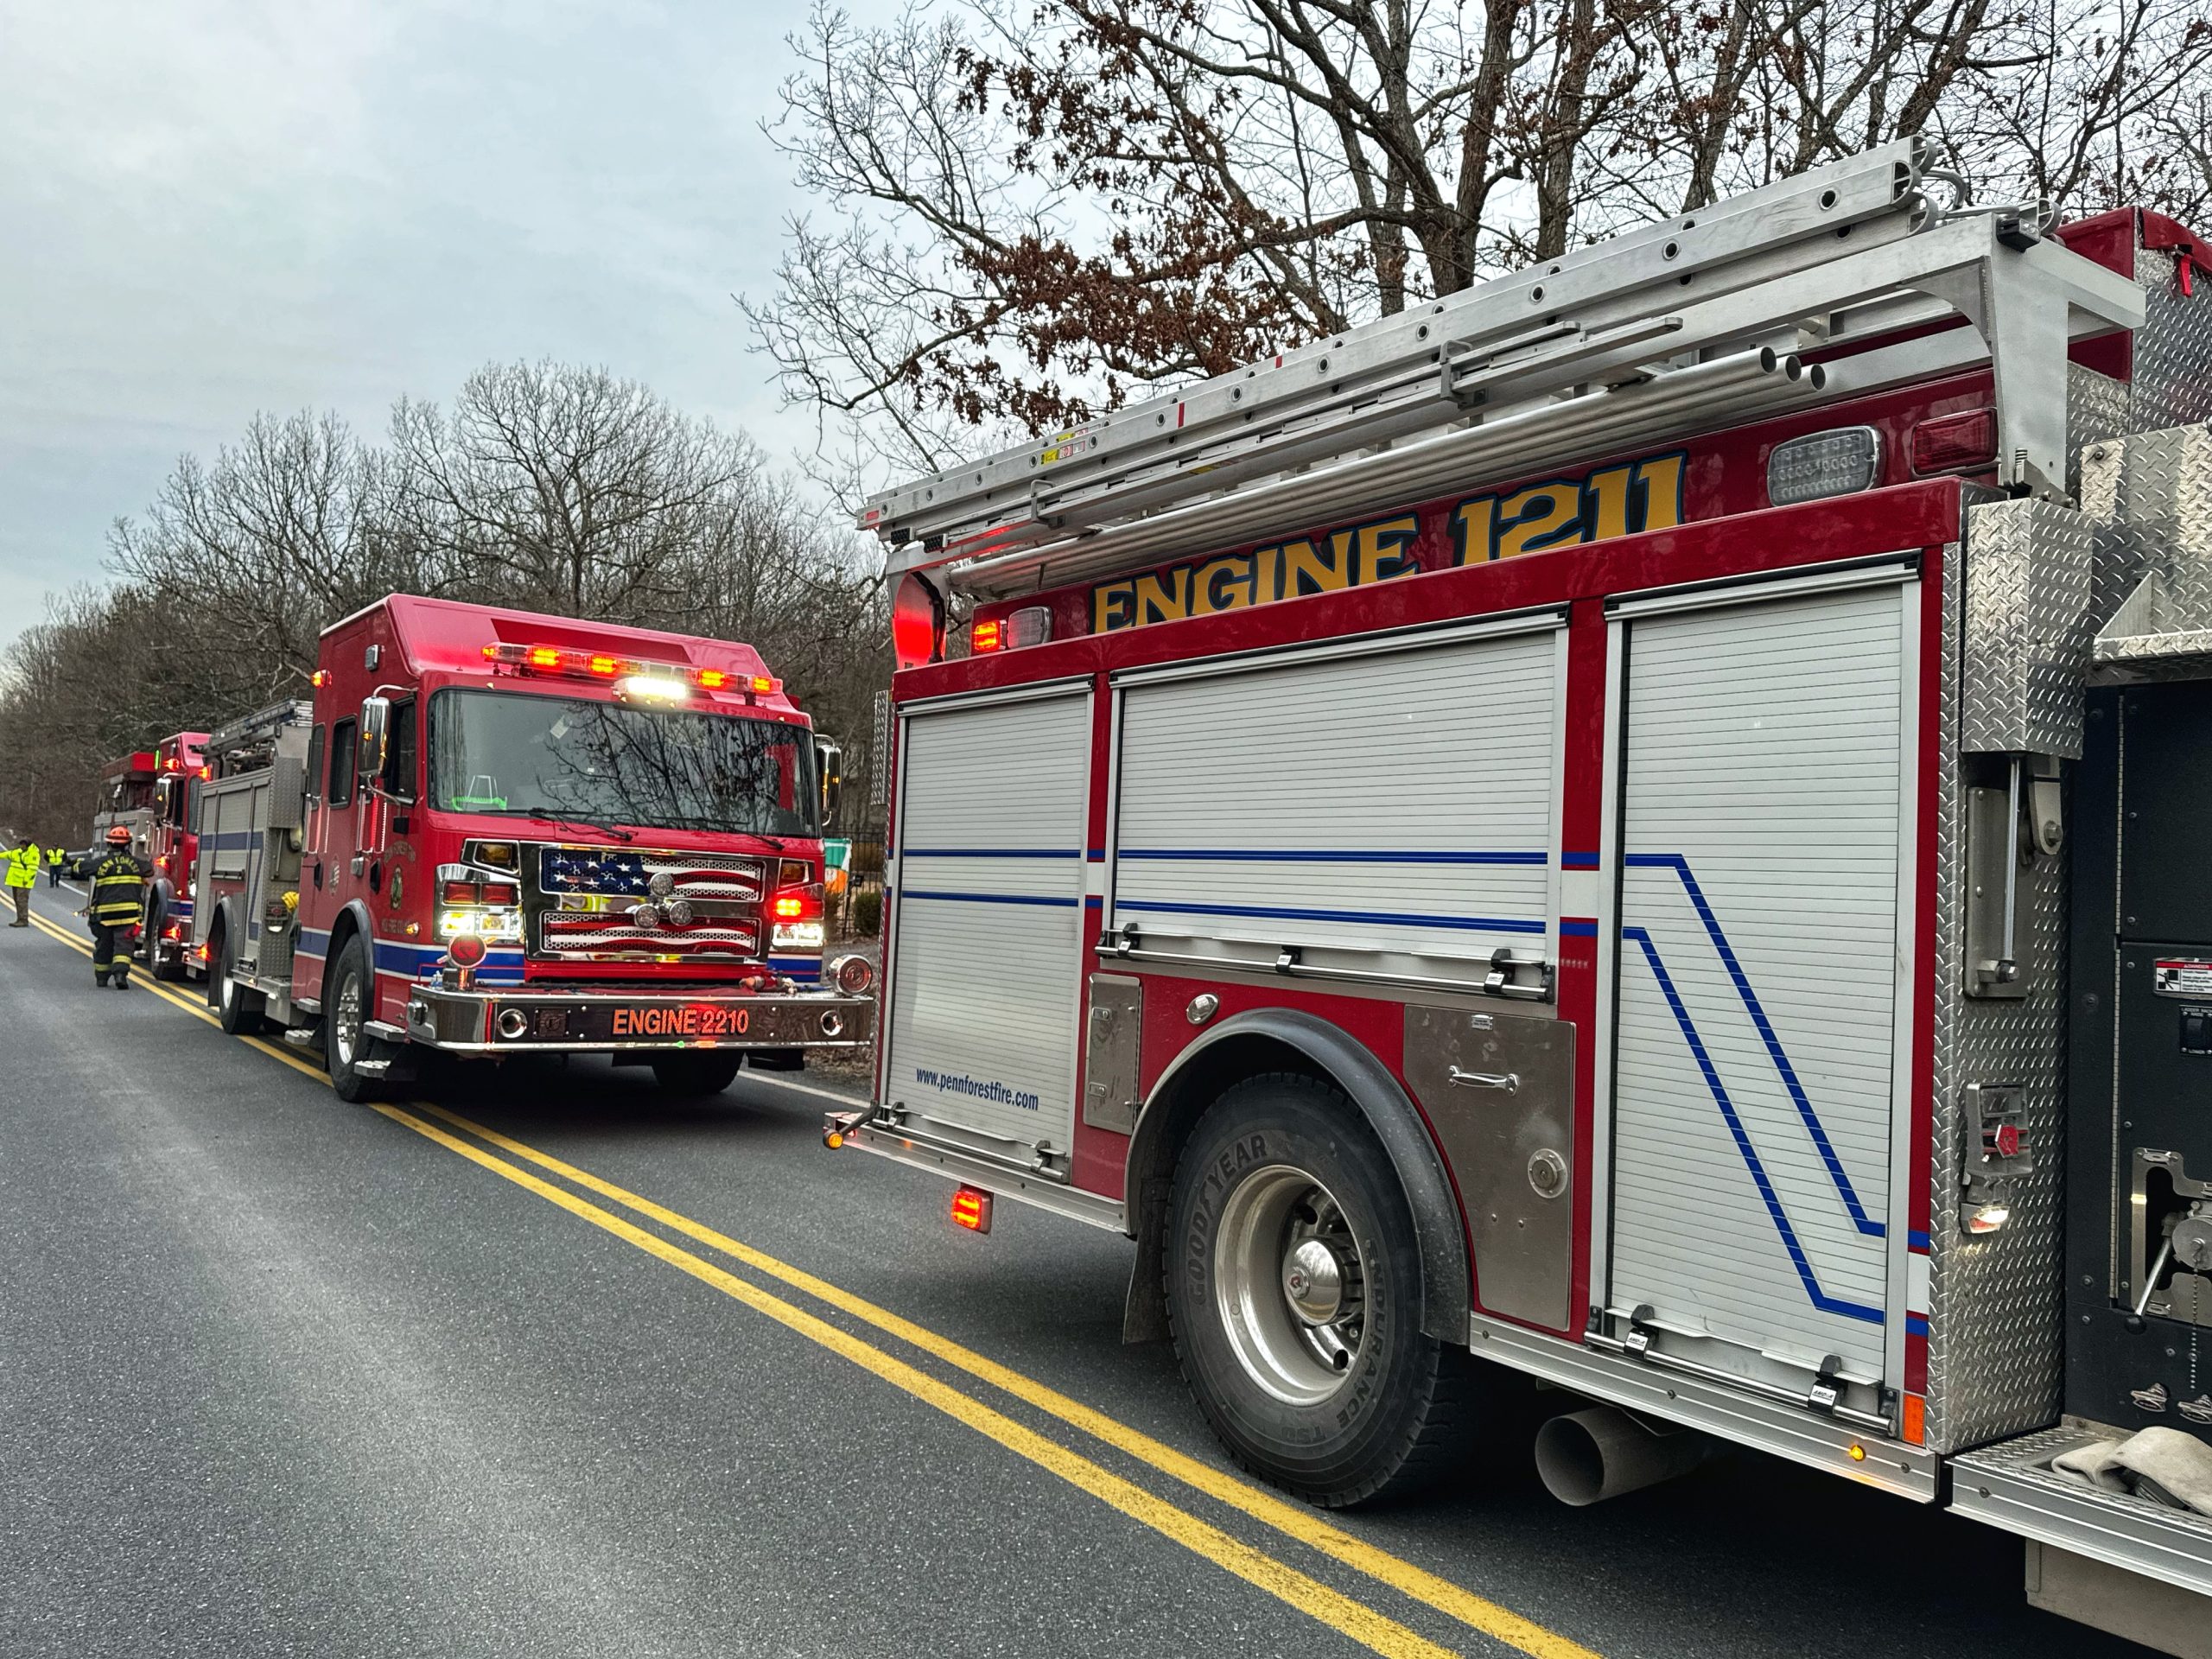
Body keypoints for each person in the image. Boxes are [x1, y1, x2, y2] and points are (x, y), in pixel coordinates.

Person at [84, 825, 149, 988]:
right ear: (128, 845)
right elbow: (150, 869)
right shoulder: (137, 864)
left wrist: (70, 862)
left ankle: (101, 978)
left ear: (109, 844)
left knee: (104, 946)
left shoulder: (101, 863)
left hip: (105, 916)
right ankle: (120, 975)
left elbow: (82, 868)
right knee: (124, 945)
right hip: (129, 915)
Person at [5, 834, 39, 927]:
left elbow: (32, 869)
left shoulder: (33, 854)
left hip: (24, 883)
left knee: (22, 901)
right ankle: (19, 919)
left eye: (23, 844)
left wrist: (26, 880)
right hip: (16, 881)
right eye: (21, 844)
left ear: (27, 845)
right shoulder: (18, 852)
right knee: (17, 900)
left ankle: (23, 920)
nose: (22, 846)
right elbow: (8, 854)